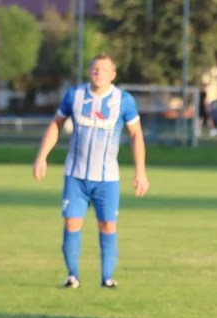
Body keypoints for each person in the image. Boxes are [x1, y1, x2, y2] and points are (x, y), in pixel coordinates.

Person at [33, 54, 150, 289]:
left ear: (113, 74)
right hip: (76, 176)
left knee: (107, 225)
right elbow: (56, 124)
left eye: (104, 70)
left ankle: (107, 278)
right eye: (95, 69)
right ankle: (72, 276)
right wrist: (42, 157)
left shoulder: (123, 100)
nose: (99, 73)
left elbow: (136, 134)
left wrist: (140, 171)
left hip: (107, 179)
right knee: (72, 223)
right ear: (89, 71)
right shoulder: (74, 96)